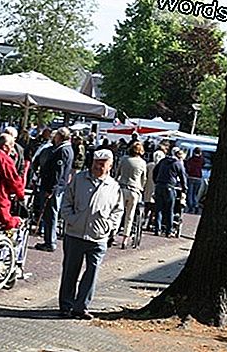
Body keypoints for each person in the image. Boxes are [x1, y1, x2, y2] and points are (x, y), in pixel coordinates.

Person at [59, 149, 123, 319]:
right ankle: (66, 305)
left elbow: (118, 210)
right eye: (96, 162)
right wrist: (71, 219)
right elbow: (67, 201)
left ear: (110, 166)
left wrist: (109, 227)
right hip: (75, 233)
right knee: (70, 271)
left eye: (102, 164)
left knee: (92, 272)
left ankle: (81, 307)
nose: (97, 166)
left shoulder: (113, 186)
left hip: (98, 236)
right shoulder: (79, 179)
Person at [35, 127, 74, 252]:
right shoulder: (66, 149)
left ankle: (50, 241)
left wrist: (50, 189)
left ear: (60, 137)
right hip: (57, 187)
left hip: (54, 188)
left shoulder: (62, 151)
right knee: (50, 213)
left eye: (56, 136)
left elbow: (57, 172)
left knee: (51, 214)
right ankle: (49, 239)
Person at [116, 142, 147, 249]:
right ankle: (125, 239)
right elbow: (144, 179)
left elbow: (117, 173)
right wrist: (141, 188)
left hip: (122, 188)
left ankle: (113, 233)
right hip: (134, 190)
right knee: (130, 215)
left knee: (117, 213)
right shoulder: (142, 163)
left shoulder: (124, 159)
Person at [0, 133, 25, 230]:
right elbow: (14, 180)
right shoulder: (5, 160)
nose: (12, 149)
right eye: (11, 146)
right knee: (7, 221)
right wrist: (21, 195)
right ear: (5, 147)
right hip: (0, 195)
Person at [153, 147, 187, 237]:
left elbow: (155, 171)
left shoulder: (163, 161)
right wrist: (184, 189)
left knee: (158, 209)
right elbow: (183, 177)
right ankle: (169, 230)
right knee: (169, 210)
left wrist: (156, 182)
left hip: (159, 186)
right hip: (170, 187)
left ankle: (157, 229)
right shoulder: (178, 164)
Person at [143, 150, 166, 230]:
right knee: (154, 208)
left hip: (148, 187)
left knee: (147, 206)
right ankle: (149, 223)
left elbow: (145, 176)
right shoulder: (162, 166)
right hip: (157, 188)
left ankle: (144, 220)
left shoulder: (149, 165)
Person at [184, 147, 205, 214]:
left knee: (190, 193)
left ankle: (191, 207)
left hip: (191, 177)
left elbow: (187, 167)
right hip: (198, 177)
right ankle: (195, 205)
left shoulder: (190, 159)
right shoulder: (201, 160)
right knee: (195, 193)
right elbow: (203, 164)